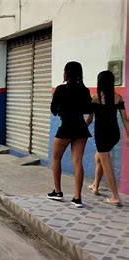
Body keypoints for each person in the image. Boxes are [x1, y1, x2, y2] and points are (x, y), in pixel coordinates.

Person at [48, 61, 92, 208]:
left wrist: (62, 110)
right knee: (78, 162)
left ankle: (58, 192)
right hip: (80, 127)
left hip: (66, 126)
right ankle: (77, 198)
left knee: (56, 158)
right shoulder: (85, 90)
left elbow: (53, 109)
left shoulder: (61, 89)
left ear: (66, 73)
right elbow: (88, 108)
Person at [86, 71, 129, 206]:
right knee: (99, 157)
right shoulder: (118, 98)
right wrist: (128, 136)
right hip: (114, 134)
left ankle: (115, 196)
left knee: (106, 162)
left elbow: (89, 119)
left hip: (102, 134)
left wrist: (79, 129)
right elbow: (125, 119)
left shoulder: (95, 98)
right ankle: (95, 186)